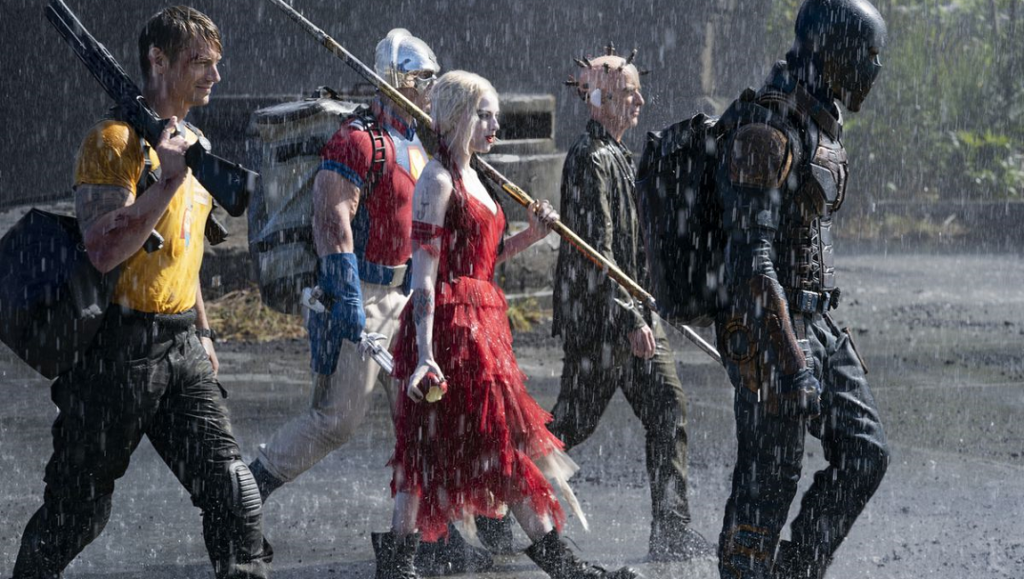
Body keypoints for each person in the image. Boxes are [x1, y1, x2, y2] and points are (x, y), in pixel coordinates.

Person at [11, 7, 271, 578]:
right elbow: (103, 249)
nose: (215, 77)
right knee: (75, 515)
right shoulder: (113, 141)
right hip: (115, 354)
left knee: (236, 498)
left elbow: (187, 251)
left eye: (216, 63)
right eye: (200, 63)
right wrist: (169, 179)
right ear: (157, 61)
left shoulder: (192, 145)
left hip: (181, 348)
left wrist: (202, 331)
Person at [375, 70, 637, 579]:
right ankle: (407, 563)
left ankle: (558, 564)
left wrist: (533, 236)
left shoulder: (478, 175)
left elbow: (484, 257)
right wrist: (425, 355)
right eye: (484, 114)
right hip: (449, 329)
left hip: (485, 323)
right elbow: (425, 276)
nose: (496, 125)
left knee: (489, 443)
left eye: (496, 114)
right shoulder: (437, 179)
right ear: (456, 118)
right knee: (440, 444)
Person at [246, 29, 490, 575]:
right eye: (423, 80)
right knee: (337, 418)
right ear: (400, 80)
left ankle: (427, 536)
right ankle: (243, 494)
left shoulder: (420, 140)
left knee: (422, 417)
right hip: (362, 292)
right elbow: (331, 218)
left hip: (405, 295)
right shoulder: (359, 140)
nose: (431, 90)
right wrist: (346, 292)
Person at [505, 45, 709, 562]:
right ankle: (496, 488)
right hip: (601, 321)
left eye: (638, 89)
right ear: (598, 100)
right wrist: (628, 317)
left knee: (669, 408)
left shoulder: (621, 156)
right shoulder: (589, 159)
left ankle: (671, 528)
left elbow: (635, 247)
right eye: (627, 92)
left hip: (634, 314)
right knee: (570, 426)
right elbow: (601, 249)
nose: (640, 99)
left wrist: (653, 307)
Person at [713, 1, 890, 577]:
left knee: (865, 452)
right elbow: (754, 260)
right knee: (769, 479)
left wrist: (825, 339)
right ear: (829, 49)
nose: (874, 69)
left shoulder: (816, 120)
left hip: (817, 324)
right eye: (866, 54)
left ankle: (797, 569)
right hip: (770, 327)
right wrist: (792, 357)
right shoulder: (768, 128)